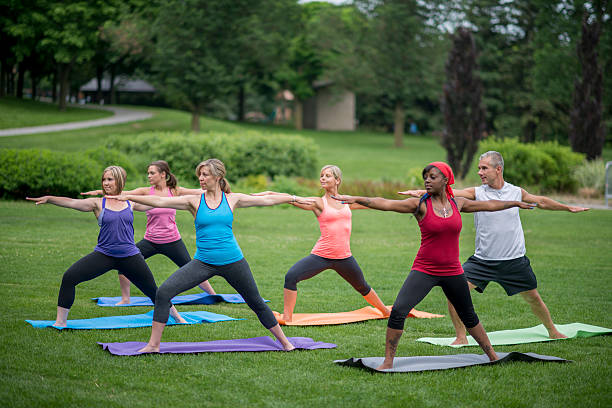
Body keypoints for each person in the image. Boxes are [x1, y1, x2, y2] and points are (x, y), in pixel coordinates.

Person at [334, 161, 537, 370]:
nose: (427, 181)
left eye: (433, 177)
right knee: (399, 311)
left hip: (453, 271)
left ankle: (492, 356)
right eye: (426, 177)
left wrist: (514, 203)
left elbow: (490, 205)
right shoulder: (419, 204)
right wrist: (356, 199)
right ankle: (388, 361)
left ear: (446, 180)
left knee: (469, 315)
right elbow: (384, 203)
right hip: (425, 270)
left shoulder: (458, 203)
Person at [111, 158, 315, 352]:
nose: (201, 178)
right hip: (203, 262)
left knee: (256, 302)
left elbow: (268, 200)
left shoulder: (232, 199)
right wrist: (128, 196)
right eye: (199, 175)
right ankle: (153, 345)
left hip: (233, 261)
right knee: (163, 293)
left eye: (205, 174)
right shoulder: (193, 201)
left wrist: (294, 198)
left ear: (217, 177)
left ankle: (285, 342)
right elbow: (159, 201)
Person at [400, 151, 588, 344]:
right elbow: (448, 192)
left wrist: (567, 207)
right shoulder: (477, 192)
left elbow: (540, 201)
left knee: (533, 298)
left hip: (514, 261)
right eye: (479, 168)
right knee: (455, 296)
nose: (480, 172)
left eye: (484, 168)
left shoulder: (516, 192)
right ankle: (461, 337)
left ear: (498, 169)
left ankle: (553, 331)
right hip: (482, 262)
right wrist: (420, 192)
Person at [26, 166, 185, 327]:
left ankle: (178, 318)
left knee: (153, 291)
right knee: (69, 277)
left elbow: (159, 201)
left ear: (119, 181)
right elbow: (72, 202)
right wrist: (50, 198)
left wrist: (180, 195)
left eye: (110, 179)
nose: (106, 183)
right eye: (104, 179)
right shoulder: (97, 203)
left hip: (130, 256)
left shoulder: (130, 202)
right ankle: (60, 322)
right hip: (104, 255)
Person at [255, 165, 389, 322]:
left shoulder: (347, 201)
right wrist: (268, 194)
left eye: (328, 176)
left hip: (344, 257)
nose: (323, 178)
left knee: (362, 286)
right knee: (291, 277)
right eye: (322, 176)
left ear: (337, 180)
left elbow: (372, 202)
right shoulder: (319, 203)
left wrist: (402, 204)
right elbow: (292, 198)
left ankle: (386, 312)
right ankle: (287, 317)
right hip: (321, 256)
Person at [83, 160, 215, 304]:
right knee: (124, 265)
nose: (149, 176)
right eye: (148, 173)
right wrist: (99, 192)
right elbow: (123, 193)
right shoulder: (146, 191)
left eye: (152, 173)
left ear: (163, 174)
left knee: (191, 268)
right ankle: (125, 299)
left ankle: (214, 295)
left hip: (172, 240)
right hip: (150, 240)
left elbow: (199, 192)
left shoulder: (175, 190)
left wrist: (222, 191)